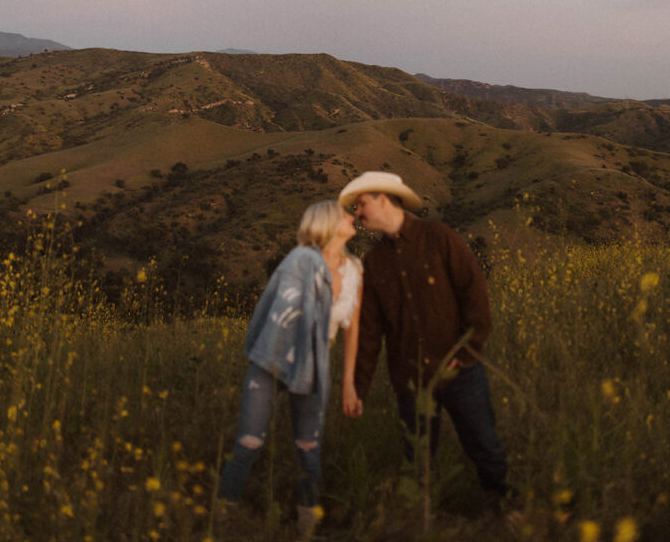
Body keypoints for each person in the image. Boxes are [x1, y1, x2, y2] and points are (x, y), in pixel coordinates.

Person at [339, 170, 509, 504]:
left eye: (361, 205)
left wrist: (469, 350)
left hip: (460, 370)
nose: (358, 214)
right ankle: (420, 519)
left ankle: (504, 505)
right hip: (411, 379)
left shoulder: (439, 238)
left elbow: (474, 295)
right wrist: (358, 387)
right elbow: (371, 332)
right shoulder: (373, 264)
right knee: (418, 458)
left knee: (484, 446)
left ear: (383, 200)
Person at [218, 200, 362, 537]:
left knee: (309, 448)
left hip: (315, 362)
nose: (352, 217)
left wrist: (348, 381)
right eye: (344, 215)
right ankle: (223, 518)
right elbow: (279, 313)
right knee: (249, 443)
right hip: (274, 356)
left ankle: (306, 526)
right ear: (328, 223)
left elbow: (353, 327)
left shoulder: (354, 270)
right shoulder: (300, 261)